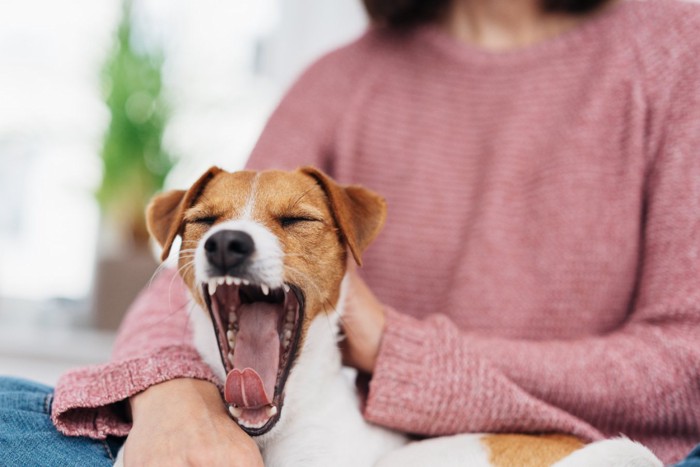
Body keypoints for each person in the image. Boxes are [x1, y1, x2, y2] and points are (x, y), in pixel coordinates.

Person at [2, 0, 699, 465]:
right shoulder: (339, 80)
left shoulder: (677, 51)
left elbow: (685, 365)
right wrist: (174, 395)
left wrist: (397, 347)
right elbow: (199, 262)